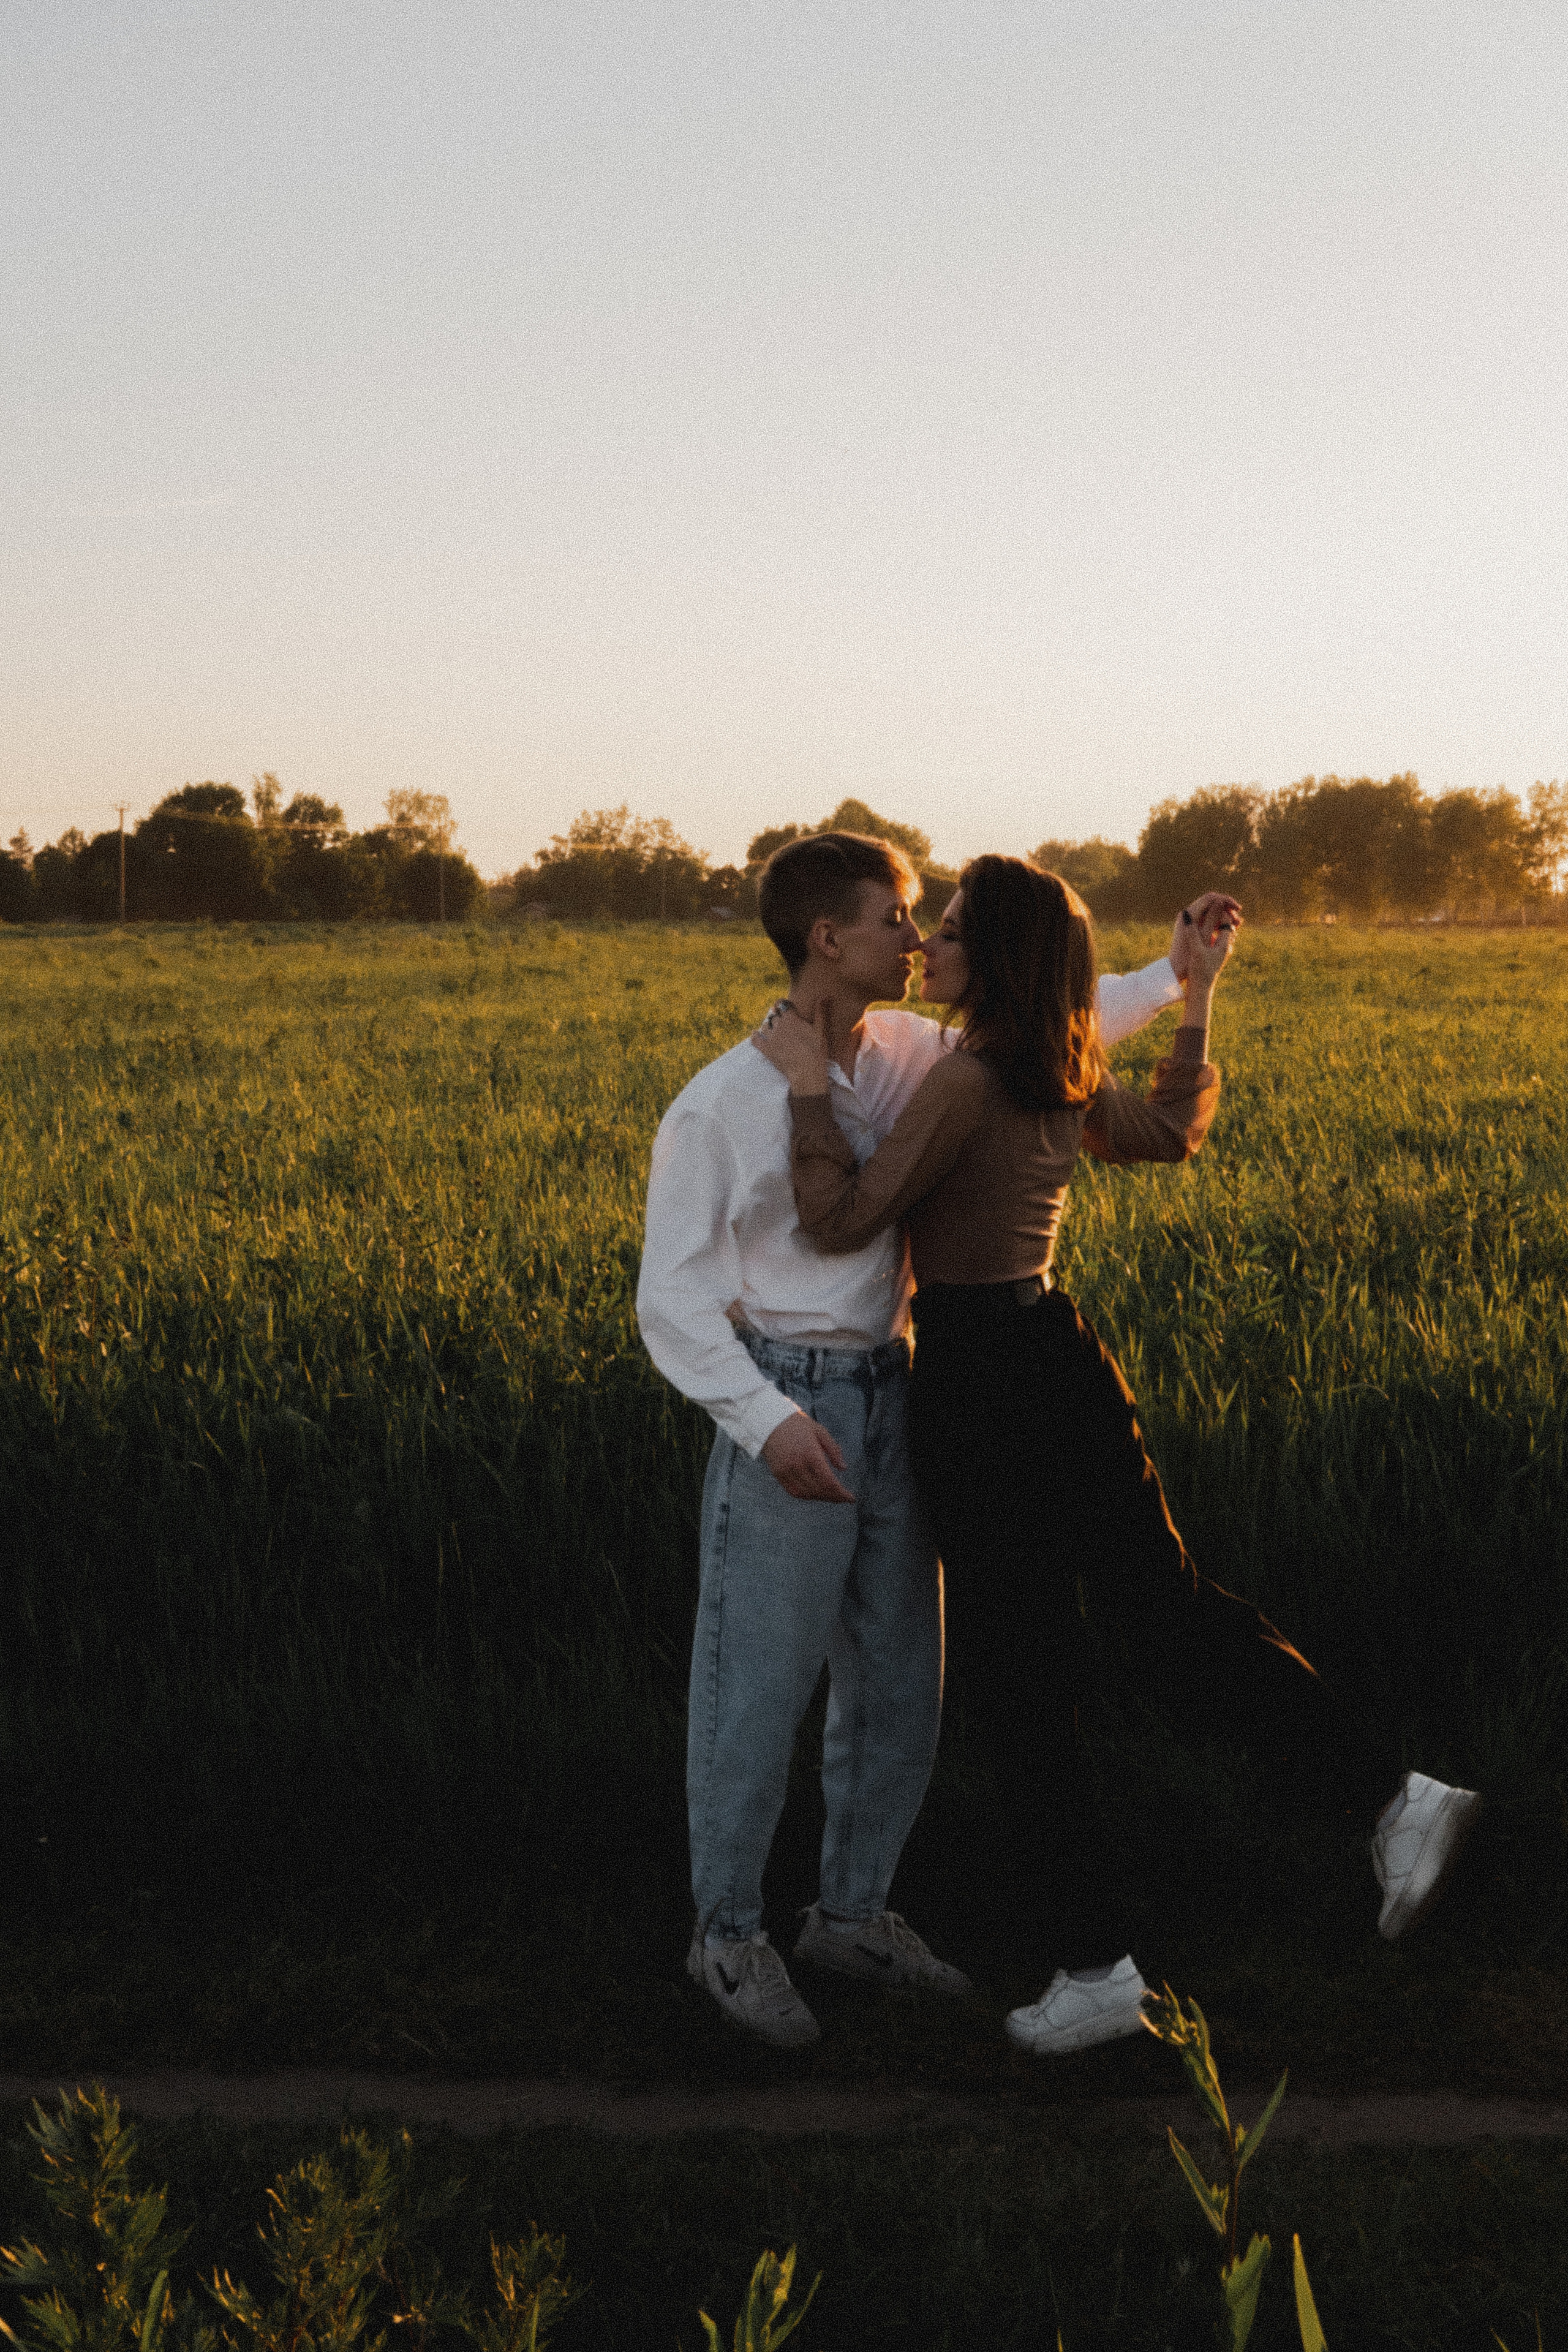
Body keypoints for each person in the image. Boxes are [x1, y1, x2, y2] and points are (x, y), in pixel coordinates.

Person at [755, 855, 1480, 2056]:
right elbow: (1173, 1133)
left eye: (944, 932)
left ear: (989, 960)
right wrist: (1194, 998)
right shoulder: (1056, 1069)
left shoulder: (965, 1082)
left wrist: (802, 1091)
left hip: (982, 1382)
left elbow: (838, 1219)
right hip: (1063, 1358)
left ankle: (1095, 1966)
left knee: (1023, 1675)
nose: (927, 948)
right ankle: (1391, 1796)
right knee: (1162, 1606)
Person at [636, 829, 1241, 2048]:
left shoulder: (911, 1050)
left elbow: (1046, 1023)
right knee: (758, 1684)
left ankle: (850, 1917)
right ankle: (726, 1937)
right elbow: (669, 1299)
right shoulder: (721, 1102)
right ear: (827, 938)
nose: (914, 940)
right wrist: (764, 1424)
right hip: (789, 1402)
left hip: (900, 1392)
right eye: (896, 918)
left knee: (900, 1683)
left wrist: (1172, 978)